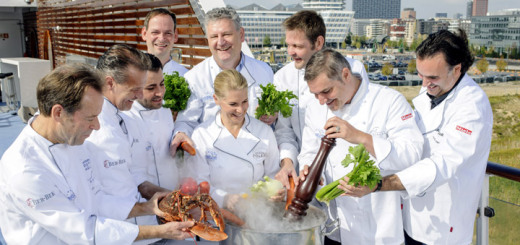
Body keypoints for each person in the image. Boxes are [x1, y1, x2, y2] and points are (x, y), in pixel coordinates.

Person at [0, 63, 193, 244]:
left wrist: (146, 208)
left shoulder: (72, 139)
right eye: (90, 118)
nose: (97, 126)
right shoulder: (25, 170)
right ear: (58, 113)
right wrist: (161, 231)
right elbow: (85, 231)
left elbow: (95, 199)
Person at [341, 29, 493, 245]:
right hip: (412, 216)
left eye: (432, 77)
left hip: (443, 226)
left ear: (457, 69)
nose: (424, 84)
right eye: (421, 75)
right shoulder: (432, 90)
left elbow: (441, 165)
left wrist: (378, 185)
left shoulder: (472, 107)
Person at [298, 49, 424, 245]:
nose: (322, 101)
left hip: (378, 229)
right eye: (316, 94)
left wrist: (359, 137)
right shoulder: (315, 108)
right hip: (334, 229)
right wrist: (306, 168)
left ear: (345, 75)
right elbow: (308, 152)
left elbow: (412, 154)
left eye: (327, 91)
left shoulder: (389, 101)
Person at [272, 10, 369, 189]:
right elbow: (285, 131)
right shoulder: (282, 78)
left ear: (318, 43)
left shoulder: (352, 69)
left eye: (298, 46)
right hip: (304, 172)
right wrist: (287, 162)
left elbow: (360, 122)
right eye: (288, 45)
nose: (290, 52)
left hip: (346, 173)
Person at [87, 44, 170, 244]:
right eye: (135, 89)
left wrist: (167, 198)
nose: (140, 96)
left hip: (139, 228)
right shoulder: (89, 128)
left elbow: (134, 174)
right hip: (113, 234)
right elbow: (90, 197)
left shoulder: (125, 118)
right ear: (110, 83)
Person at [172, 7, 274, 154]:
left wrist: (273, 117)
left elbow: (277, 122)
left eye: (226, 34)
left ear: (241, 35)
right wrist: (180, 133)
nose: (220, 42)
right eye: (214, 36)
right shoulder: (194, 78)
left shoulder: (264, 71)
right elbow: (187, 122)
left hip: (256, 156)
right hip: (212, 160)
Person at [183, 69, 280, 209]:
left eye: (245, 101)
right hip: (215, 212)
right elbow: (199, 181)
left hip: (258, 213)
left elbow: (273, 174)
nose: (240, 110)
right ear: (216, 99)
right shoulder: (202, 134)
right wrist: (225, 199)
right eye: (233, 104)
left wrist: (275, 191)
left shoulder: (263, 131)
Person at [123, 53, 180, 197]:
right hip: (143, 206)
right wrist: (172, 198)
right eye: (151, 88)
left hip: (172, 197)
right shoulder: (124, 119)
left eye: (162, 84)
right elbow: (131, 176)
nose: (160, 93)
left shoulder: (165, 110)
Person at [141, 8, 188, 76]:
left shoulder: (186, 76)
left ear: (175, 36)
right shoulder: (129, 74)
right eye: (155, 32)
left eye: (168, 33)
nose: (162, 39)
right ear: (144, 34)